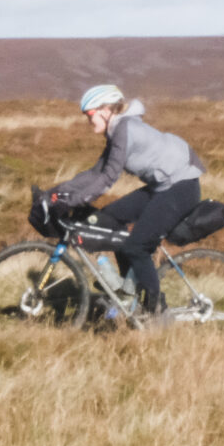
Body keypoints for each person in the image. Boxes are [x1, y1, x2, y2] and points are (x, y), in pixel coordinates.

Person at [48, 84, 205, 319]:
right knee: (109, 219)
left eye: (89, 114)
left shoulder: (124, 129)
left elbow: (108, 178)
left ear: (104, 110)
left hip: (181, 187)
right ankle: (129, 292)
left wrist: (73, 201)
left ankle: (155, 309)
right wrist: (58, 192)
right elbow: (96, 172)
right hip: (162, 186)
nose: (88, 121)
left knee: (136, 246)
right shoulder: (117, 130)